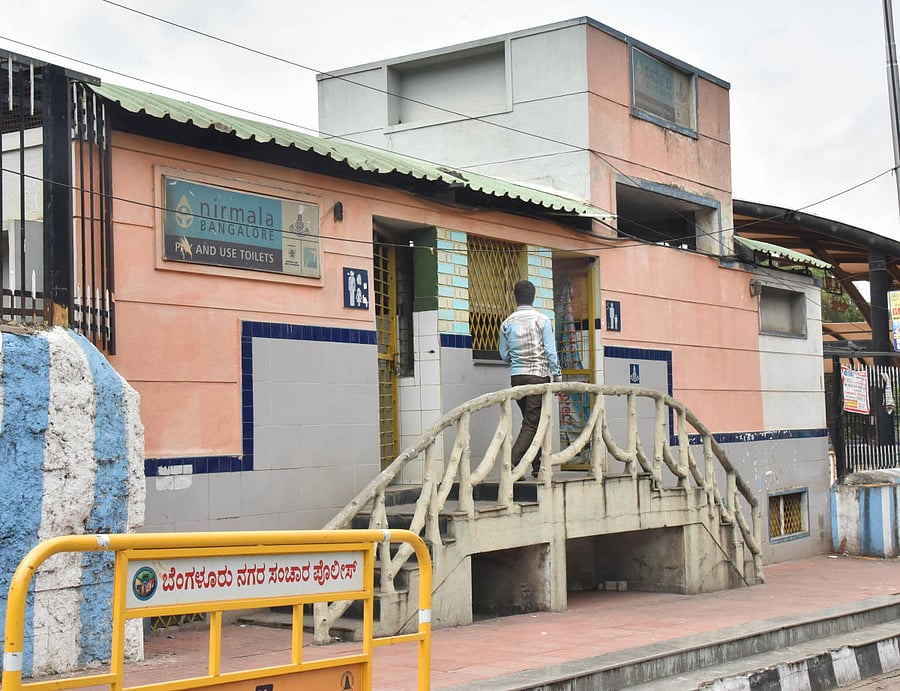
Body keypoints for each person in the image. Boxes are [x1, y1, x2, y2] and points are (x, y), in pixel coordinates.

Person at [498, 279, 561, 478]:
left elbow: (503, 354)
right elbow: (550, 352)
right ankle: (511, 464)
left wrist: (516, 360)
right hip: (537, 377)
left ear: (515, 297)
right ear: (533, 297)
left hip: (517, 377)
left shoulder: (507, 323)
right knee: (533, 423)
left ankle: (536, 466)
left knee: (531, 421)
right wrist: (557, 375)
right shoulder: (542, 320)